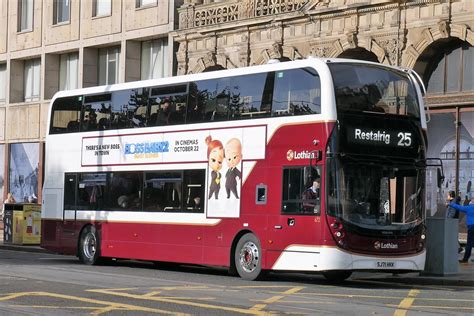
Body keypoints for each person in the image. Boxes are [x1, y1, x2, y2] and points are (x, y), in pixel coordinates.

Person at [449, 199, 474, 263]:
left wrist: (451, 203)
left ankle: (465, 259)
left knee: (469, 244)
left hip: (471, 227)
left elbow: (460, 207)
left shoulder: (468, 208)